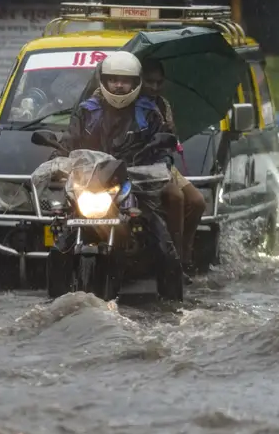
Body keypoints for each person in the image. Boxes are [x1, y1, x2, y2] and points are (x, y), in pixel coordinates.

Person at [62, 51, 182, 260]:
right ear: (104, 81)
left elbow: (162, 148)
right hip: (92, 182)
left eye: (125, 81)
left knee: (163, 244)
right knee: (62, 238)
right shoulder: (87, 111)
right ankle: (57, 288)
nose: (119, 85)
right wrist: (57, 159)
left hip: (136, 183)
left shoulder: (149, 112)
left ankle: (173, 283)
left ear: (136, 83)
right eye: (113, 80)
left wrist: (159, 165)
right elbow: (70, 141)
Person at [141, 58, 207, 276]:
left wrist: (168, 137)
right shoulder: (128, 103)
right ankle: (173, 258)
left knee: (197, 201)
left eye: (158, 82)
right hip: (137, 165)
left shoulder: (162, 105)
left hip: (163, 164)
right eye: (149, 82)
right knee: (176, 198)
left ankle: (183, 252)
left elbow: (171, 137)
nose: (154, 87)